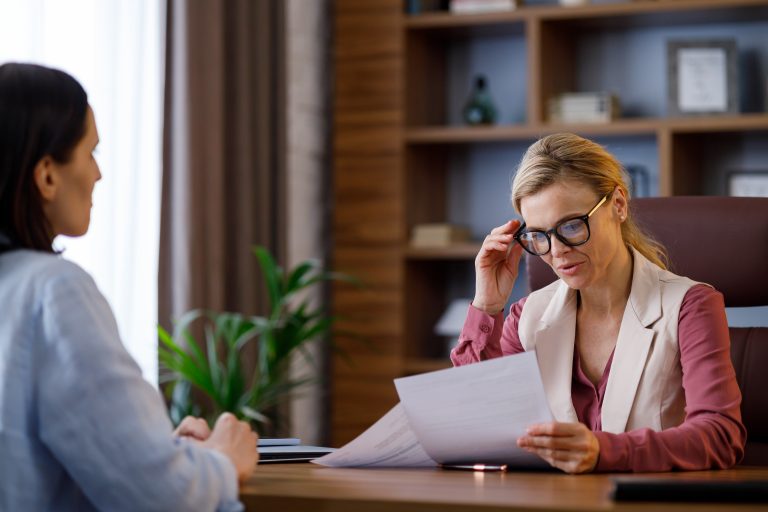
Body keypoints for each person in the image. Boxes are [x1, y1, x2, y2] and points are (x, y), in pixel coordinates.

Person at [0, 62, 258, 511]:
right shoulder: (53, 293)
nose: (98, 174)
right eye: (90, 152)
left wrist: (155, 451)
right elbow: (163, 499)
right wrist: (222, 459)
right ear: (47, 174)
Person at [451, 133, 745, 474]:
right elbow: (480, 428)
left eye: (572, 226)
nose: (557, 251)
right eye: (539, 236)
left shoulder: (690, 307)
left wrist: (604, 451)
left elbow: (721, 436)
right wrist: (487, 306)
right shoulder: (526, 317)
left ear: (618, 205)